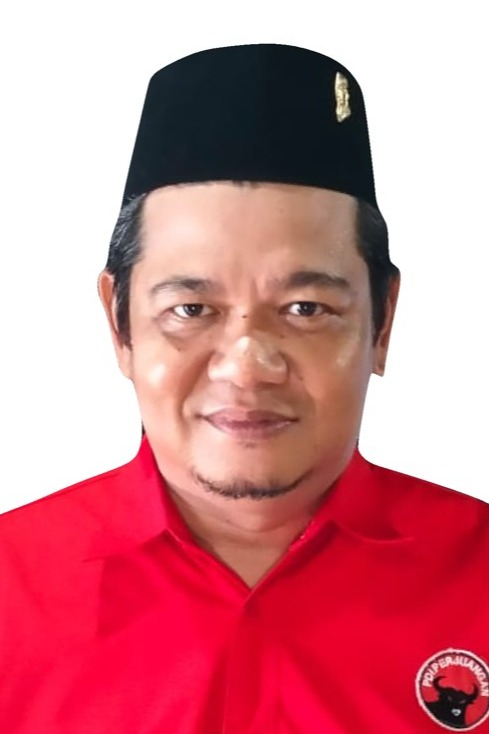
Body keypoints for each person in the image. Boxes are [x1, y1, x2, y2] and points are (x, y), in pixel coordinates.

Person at [1, 43, 488, 734]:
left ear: (382, 322)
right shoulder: (11, 589)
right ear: (119, 324)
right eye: (191, 309)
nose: (247, 366)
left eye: (306, 309)